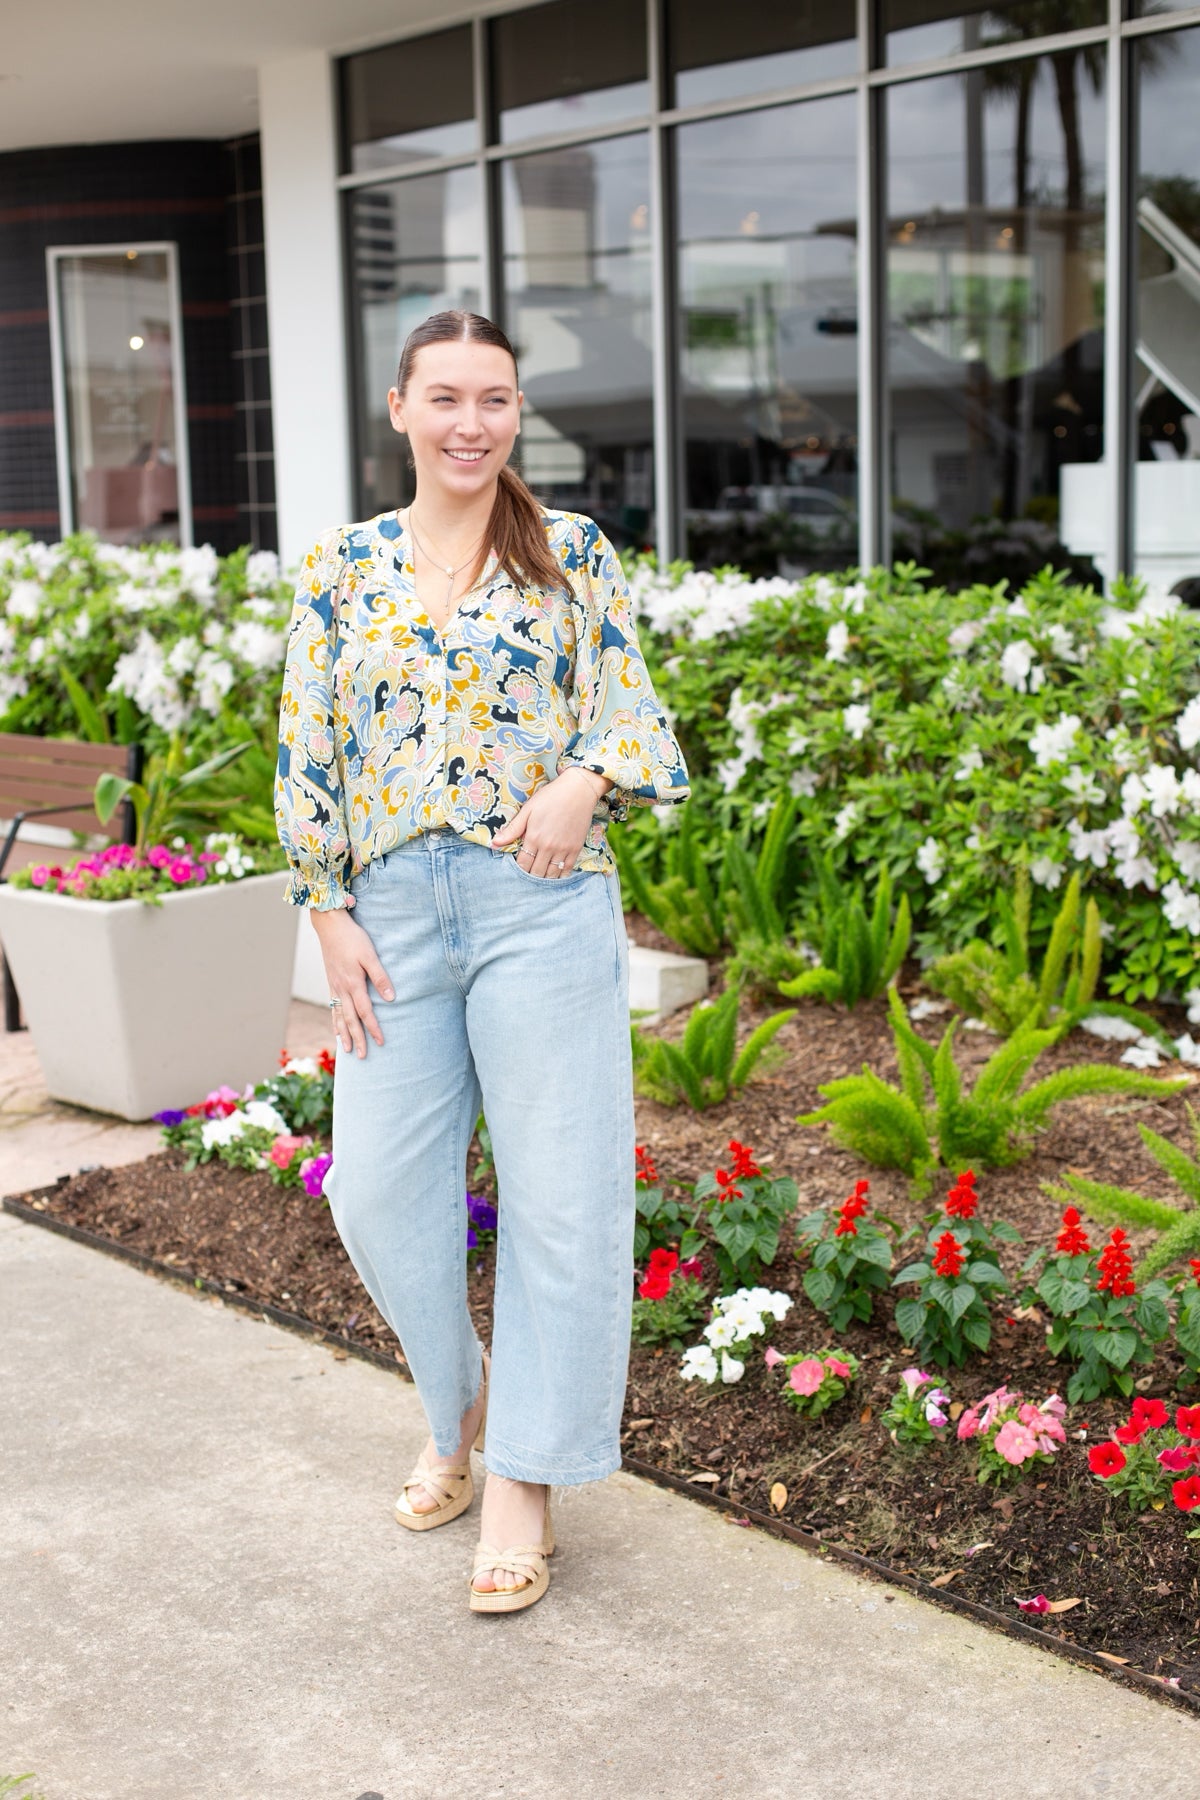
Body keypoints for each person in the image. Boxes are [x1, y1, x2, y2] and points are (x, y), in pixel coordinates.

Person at [274, 309, 689, 1613]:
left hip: (539, 904)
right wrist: (327, 910)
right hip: (391, 916)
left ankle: (521, 1481)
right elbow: (307, 745)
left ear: (517, 412)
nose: (471, 423)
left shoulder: (571, 551)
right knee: (375, 1190)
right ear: (400, 408)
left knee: (562, 1198)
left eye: (494, 399)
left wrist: (582, 782)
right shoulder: (342, 566)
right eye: (445, 397)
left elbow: (634, 716)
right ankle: (464, 1407)